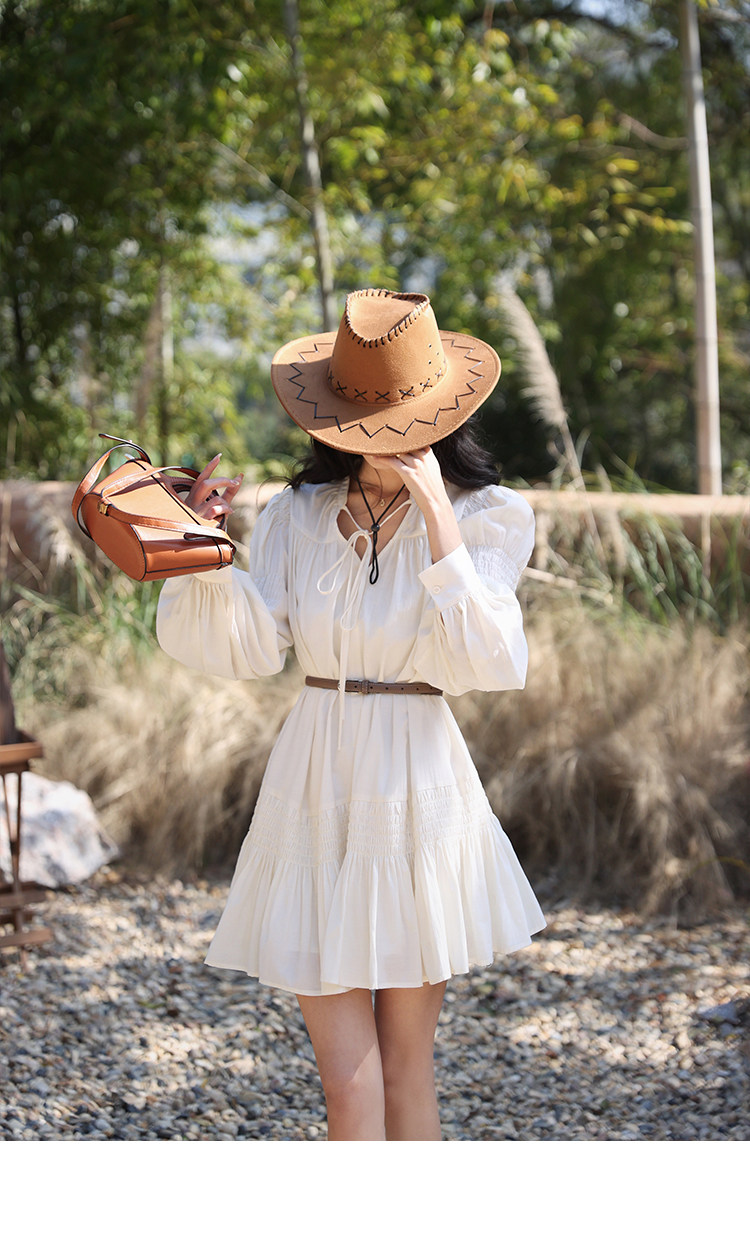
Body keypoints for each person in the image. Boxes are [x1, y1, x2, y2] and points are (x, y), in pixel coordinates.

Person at [156, 288, 546, 1141]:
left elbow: (485, 660)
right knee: (348, 1081)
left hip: (415, 781)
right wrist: (204, 551)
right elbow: (256, 645)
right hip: (313, 778)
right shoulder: (296, 513)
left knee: (405, 1069)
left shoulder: (490, 516)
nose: (382, 437)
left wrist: (436, 512)